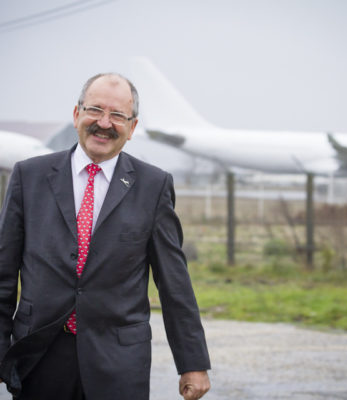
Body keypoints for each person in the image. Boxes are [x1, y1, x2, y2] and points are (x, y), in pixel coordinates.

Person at [0, 73, 211, 400]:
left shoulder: (153, 186)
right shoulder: (29, 176)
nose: (104, 123)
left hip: (119, 363)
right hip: (38, 357)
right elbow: (3, 274)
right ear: (76, 114)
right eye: (95, 110)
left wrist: (193, 362)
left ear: (133, 127)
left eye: (117, 116)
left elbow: (174, 282)